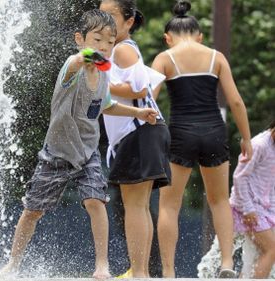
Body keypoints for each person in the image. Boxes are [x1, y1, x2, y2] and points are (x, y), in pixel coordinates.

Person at [0, 9, 158, 279]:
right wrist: (93, 57)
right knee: (33, 211)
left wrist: (138, 113)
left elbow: (105, 105)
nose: (104, 47)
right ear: (79, 39)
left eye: (110, 42)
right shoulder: (72, 67)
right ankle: (13, 262)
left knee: (96, 201)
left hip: (87, 153)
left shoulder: (105, 75)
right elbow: (78, 60)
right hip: (56, 153)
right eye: (98, 40)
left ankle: (102, 265)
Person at [151, 0, 253, 278]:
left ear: (167, 38)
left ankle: (169, 273)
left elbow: (149, 99)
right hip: (213, 131)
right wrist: (246, 139)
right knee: (219, 200)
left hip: (180, 133)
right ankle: (228, 264)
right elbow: (235, 101)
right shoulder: (215, 57)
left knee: (170, 205)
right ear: (200, 36)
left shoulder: (164, 58)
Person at [100, 0, 171, 278]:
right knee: (138, 206)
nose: (104, 20)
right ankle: (139, 272)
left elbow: (139, 87)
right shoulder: (114, 51)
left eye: (111, 16)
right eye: (100, 14)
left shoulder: (122, 49)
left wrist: (102, 83)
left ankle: (139, 274)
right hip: (143, 131)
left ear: (129, 21)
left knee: (135, 206)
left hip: (140, 132)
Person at [229, 121, 275, 278]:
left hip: (264, 209)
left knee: (254, 258)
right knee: (271, 249)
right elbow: (239, 177)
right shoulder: (259, 145)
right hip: (247, 207)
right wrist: (248, 209)